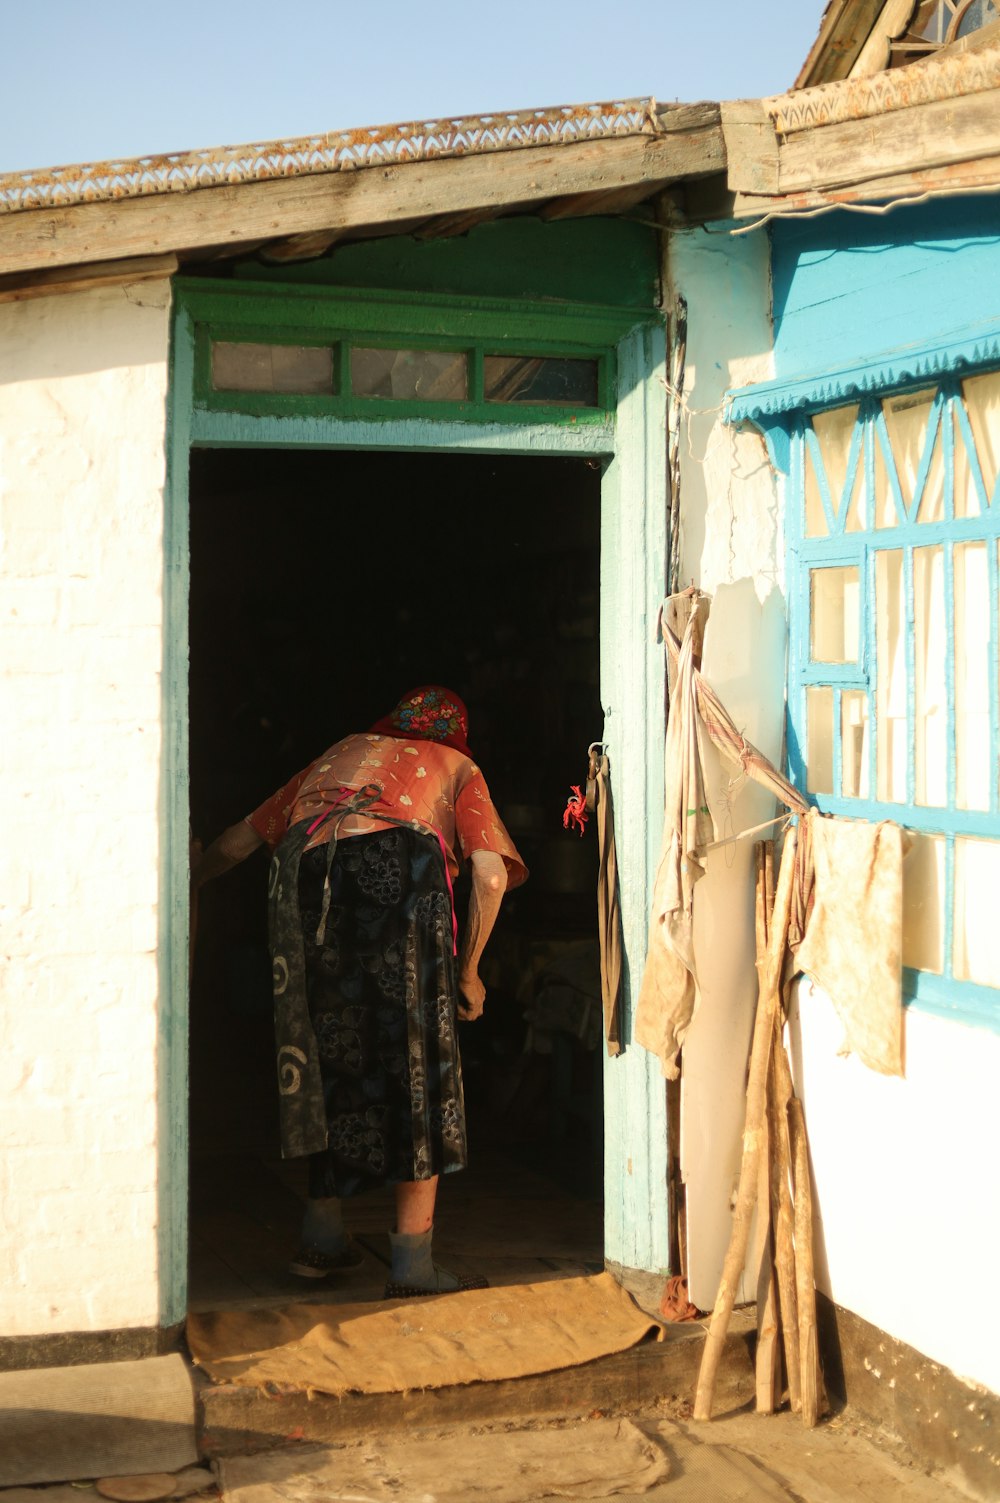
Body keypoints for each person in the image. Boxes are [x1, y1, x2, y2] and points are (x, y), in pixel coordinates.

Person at [193, 685, 527, 1298]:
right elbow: (490, 872)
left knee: (330, 1053)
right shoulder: (455, 764)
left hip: (304, 874)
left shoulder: (342, 751)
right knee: (418, 1063)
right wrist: (470, 971)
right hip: (401, 869)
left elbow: (239, 841)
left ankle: (320, 1240)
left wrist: (187, 880)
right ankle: (413, 1265)